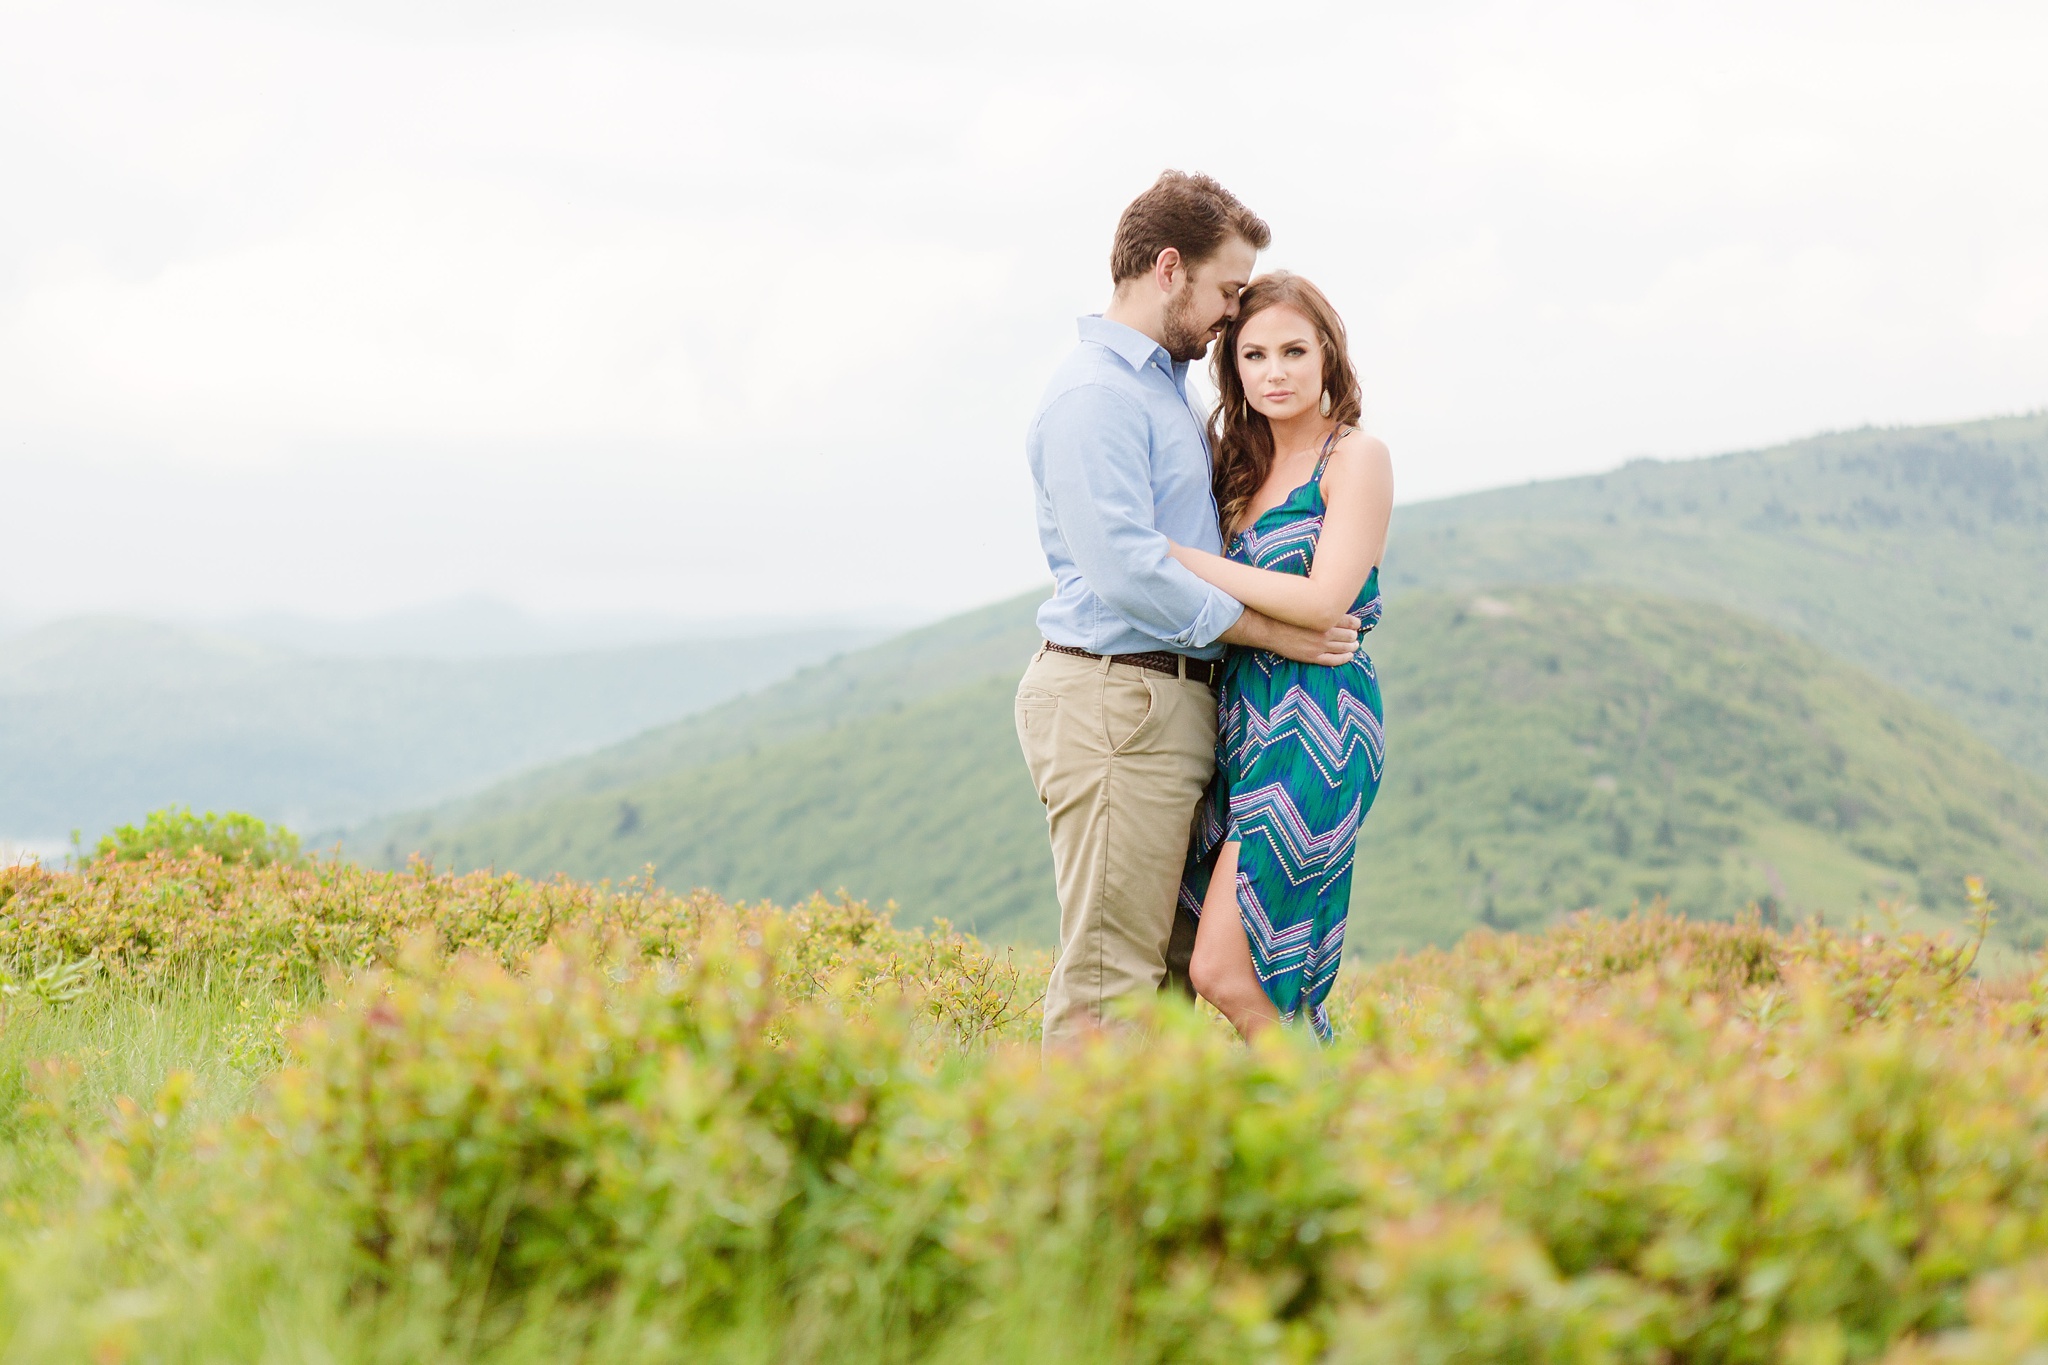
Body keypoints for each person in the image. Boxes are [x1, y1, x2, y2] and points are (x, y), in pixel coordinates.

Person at [1016, 172, 1362, 1052]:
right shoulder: (1097, 395)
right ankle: (1077, 1188)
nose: (1231, 316)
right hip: (1116, 700)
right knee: (1110, 984)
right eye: (1227, 291)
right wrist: (1278, 633)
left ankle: (1146, 1173)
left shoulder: (1161, 386)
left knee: (1164, 976)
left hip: (1172, 705)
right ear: (1169, 269)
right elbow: (1132, 574)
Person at [1169, 272, 1394, 1042]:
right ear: (1233, 367)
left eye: (1295, 351)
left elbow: (1324, 601)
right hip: (1242, 718)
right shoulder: (1234, 461)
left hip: (1319, 719)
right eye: (1255, 355)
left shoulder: (1355, 458)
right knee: (1257, 971)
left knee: (1223, 970)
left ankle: (1324, 1120)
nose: (1276, 372)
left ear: (1327, 354)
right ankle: (1322, 1119)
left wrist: (1177, 559)